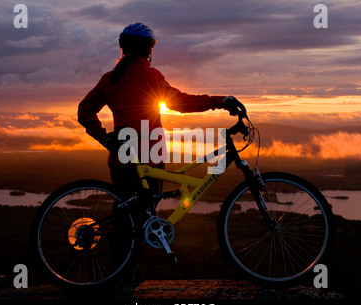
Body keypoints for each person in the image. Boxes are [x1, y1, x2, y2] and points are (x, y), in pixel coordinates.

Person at [77, 22, 243, 281]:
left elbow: (84, 111)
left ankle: (121, 271)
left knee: (126, 216)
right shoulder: (151, 76)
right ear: (149, 50)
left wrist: (106, 139)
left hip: (120, 157)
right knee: (144, 215)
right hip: (151, 157)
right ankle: (129, 271)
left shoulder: (109, 79)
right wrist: (218, 101)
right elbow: (182, 102)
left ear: (124, 48)